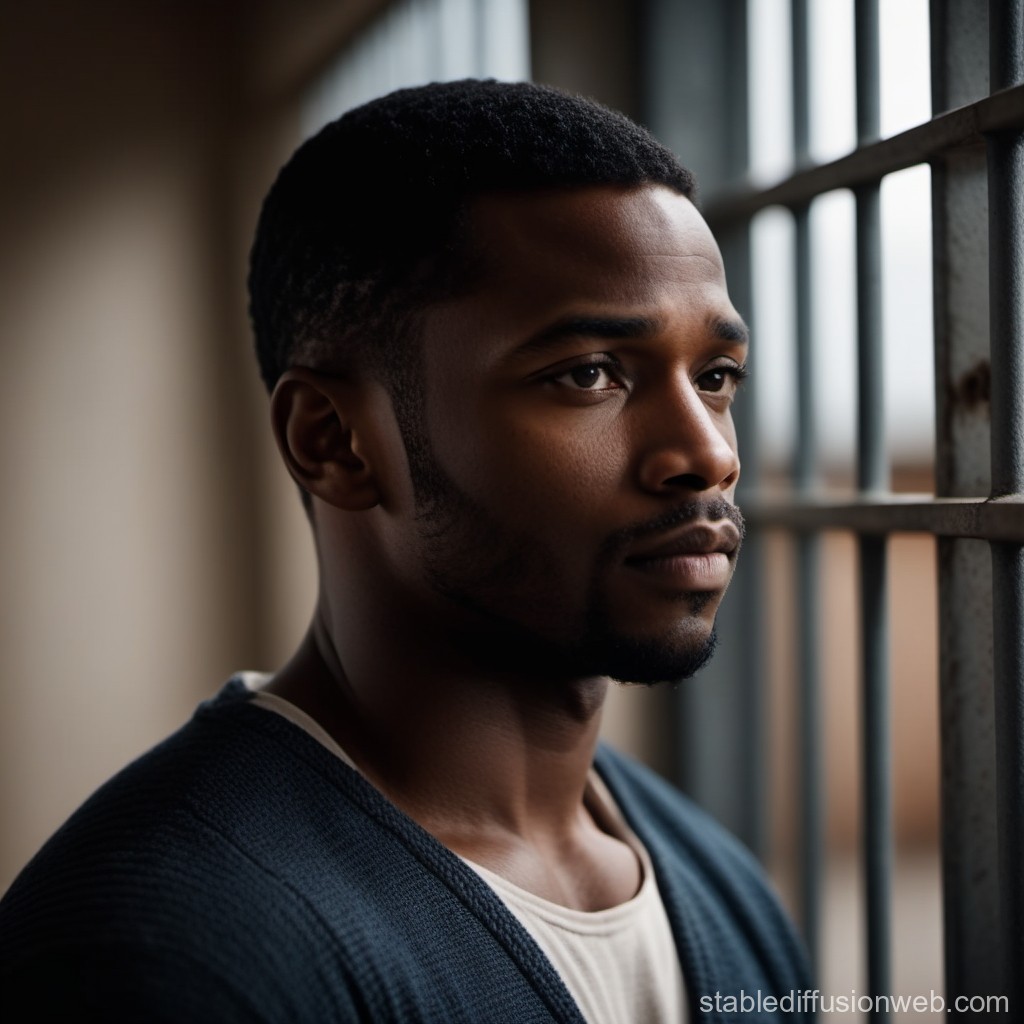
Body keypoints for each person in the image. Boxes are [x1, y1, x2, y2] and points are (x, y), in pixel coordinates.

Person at [0, 79, 811, 1022]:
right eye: (588, 374)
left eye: (715, 377)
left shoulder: (726, 892)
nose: (708, 454)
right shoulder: (157, 955)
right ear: (335, 443)